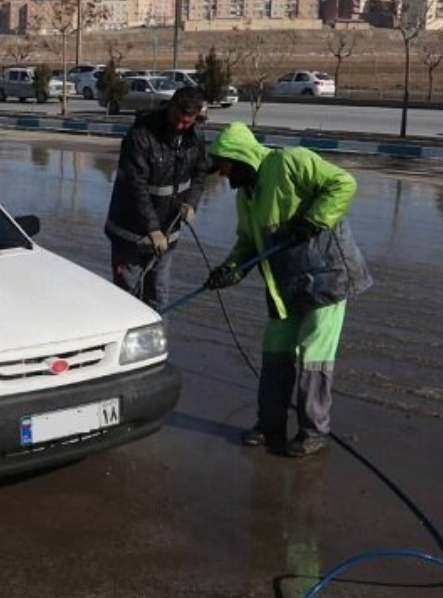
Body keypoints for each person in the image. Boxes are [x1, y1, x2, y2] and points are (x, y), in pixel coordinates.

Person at [204, 122, 372, 458]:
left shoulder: (290, 161)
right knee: (275, 350)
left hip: (326, 276)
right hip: (286, 285)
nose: (222, 175)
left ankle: (314, 430)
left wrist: (313, 220)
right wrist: (230, 270)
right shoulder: (246, 197)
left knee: (313, 354)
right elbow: (249, 243)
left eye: (223, 166)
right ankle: (270, 425)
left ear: (239, 158)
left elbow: (343, 183)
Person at [104, 86, 208, 310]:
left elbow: (200, 174)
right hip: (130, 235)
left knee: (158, 298)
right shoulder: (141, 136)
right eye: (177, 119)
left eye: (187, 123)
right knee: (127, 299)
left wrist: (191, 203)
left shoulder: (196, 137)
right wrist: (152, 229)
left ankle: (157, 343)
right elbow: (136, 186)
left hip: (167, 235)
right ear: (170, 107)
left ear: (197, 116)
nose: (180, 126)